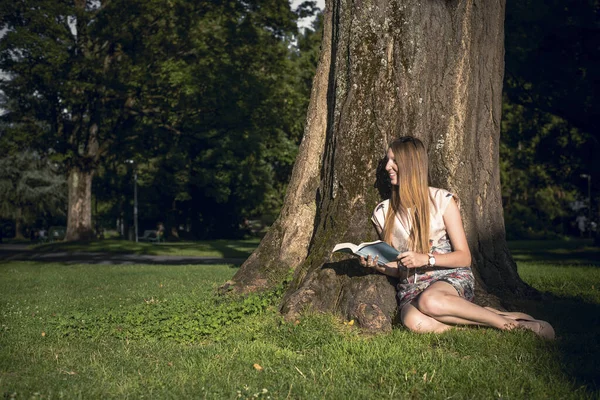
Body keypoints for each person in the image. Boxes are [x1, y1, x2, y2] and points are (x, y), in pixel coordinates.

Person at [359, 136, 554, 339]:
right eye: (388, 161)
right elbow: (398, 269)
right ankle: (488, 320)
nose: (388, 167)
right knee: (413, 322)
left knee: (430, 301)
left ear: (411, 165)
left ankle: (512, 327)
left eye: (394, 161)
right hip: (412, 287)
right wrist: (375, 264)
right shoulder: (384, 212)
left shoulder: (442, 201)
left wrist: (427, 259)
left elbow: (464, 257)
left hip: (447, 277)